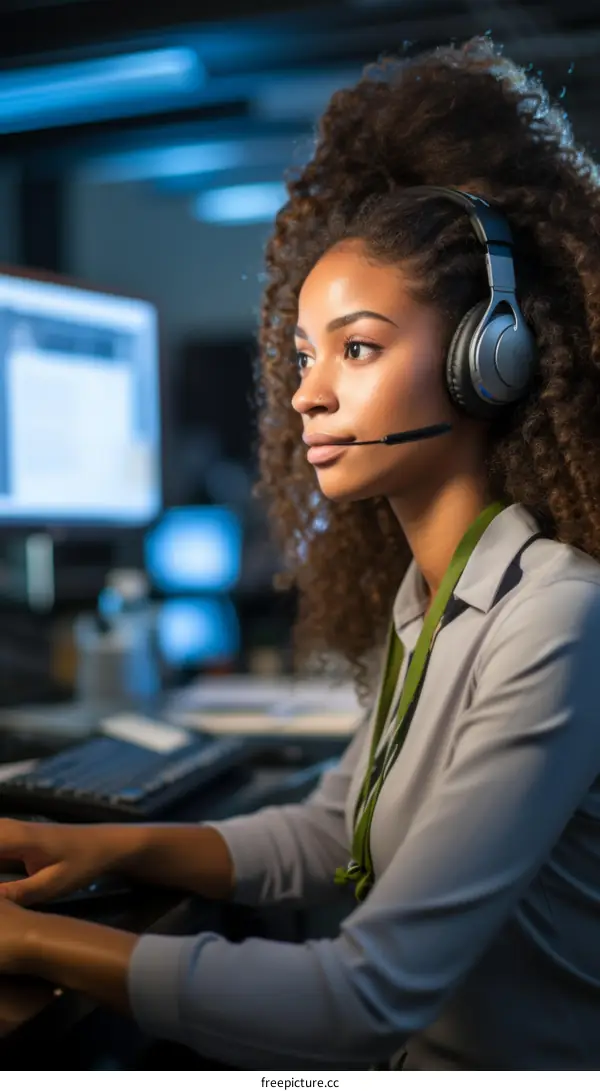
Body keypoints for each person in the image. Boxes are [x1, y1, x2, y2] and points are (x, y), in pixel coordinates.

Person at [2, 35, 600, 1070]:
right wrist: (105, 845)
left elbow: (357, 998)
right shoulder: (435, 600)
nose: (306, 394)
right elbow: (339, 836)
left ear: (489, 362)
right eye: (303, 355)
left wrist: (22, 938)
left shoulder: (556, 616)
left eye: (358, 348)